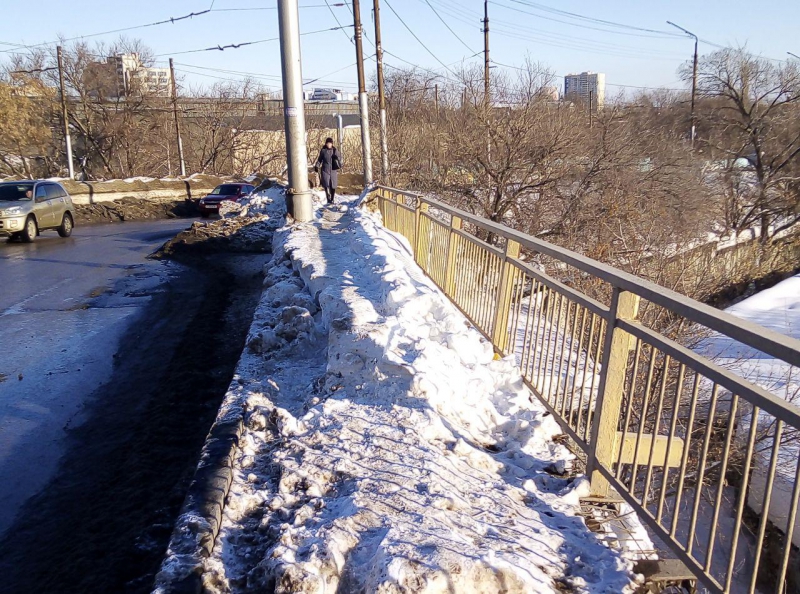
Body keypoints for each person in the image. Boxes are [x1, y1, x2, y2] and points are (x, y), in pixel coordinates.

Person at [314, 137, 341, 205]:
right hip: (325, 169)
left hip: (333, 170)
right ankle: (328, 197)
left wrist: (337, 159)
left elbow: (340, 159)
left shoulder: (335, 151)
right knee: (326, 184)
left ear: (332, 144)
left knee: (333, 185)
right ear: (326, 144)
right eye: (328, 143)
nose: (329, 145)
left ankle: (332, 198)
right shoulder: (323, 151)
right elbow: (320, 159)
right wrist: (317, 166)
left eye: (330, 143)